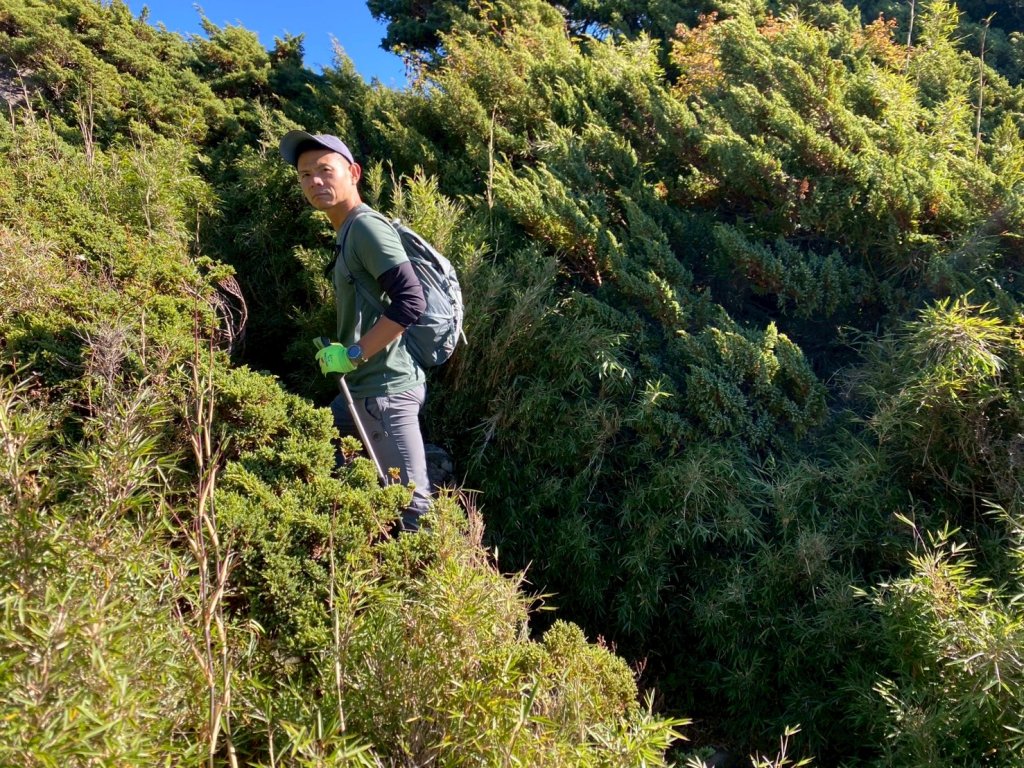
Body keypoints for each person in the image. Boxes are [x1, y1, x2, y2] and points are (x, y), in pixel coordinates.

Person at [279, 130, 431, 531]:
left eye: (325, 170)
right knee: (317, 455)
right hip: (361, 390)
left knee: (412, 508)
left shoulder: (366, 228)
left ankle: (431, 565)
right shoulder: (346, 230)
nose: (314, 181)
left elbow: (410, 302)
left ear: (354, 173)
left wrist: (353, 354)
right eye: (305, 174)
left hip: (385, 391)